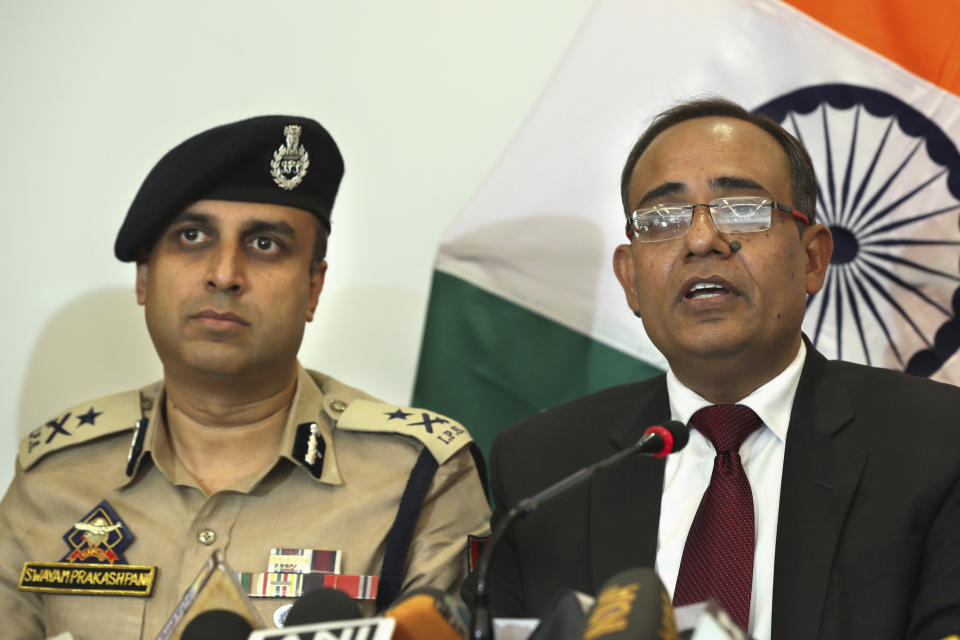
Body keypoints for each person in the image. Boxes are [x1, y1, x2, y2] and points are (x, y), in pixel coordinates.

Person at [485, 98, 960, 639]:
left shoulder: (939, 444)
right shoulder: (543, 469)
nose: (702, 239)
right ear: (630, 280)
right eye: (662, 219)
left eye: (741, 209)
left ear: (812, 258)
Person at [0, 115, 491, 639]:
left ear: (312, 289)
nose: (225, 274)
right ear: (144, 275)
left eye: (264, 245)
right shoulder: (56, 476)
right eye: (192, 237)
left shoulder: (419, 477)